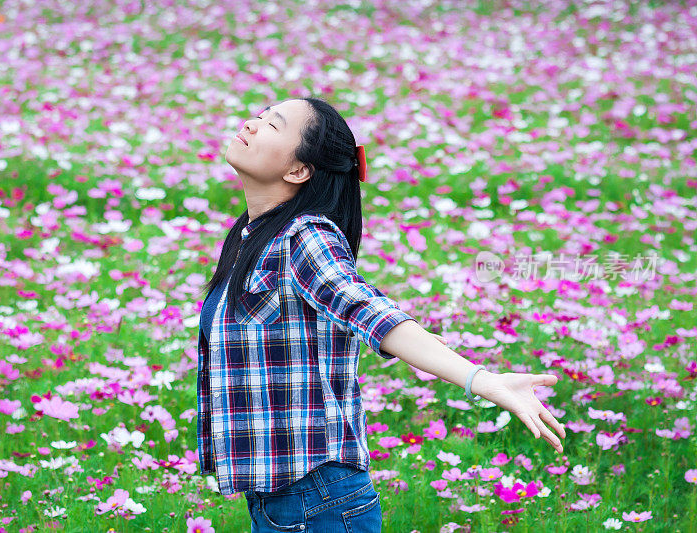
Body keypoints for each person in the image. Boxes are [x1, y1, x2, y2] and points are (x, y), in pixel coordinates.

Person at [197, 97, 566, 532]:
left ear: (298, 170)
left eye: (272, 125)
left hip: (318, 500)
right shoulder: (250, 237)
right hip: (285, 500)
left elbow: (371, 312)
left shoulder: (303, 238)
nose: (252, 123)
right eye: (260, 115)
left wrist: (481, 380)